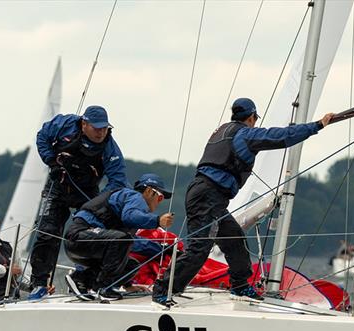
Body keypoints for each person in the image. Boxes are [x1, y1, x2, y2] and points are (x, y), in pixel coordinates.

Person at [152, 97, 335, 305]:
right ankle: (163, 290)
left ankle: (239, 286)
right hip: (208, 196)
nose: (255, 122)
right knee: (199, 248)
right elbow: (282, 136)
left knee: (234, 238)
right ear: (251, 117)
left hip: (208, 195)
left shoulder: (222, 130)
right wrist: (317, 125)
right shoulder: (245, 134)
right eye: (255, 118)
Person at [27, 105, 129, 300]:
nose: (101, 132)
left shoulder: (110, 148)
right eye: (96, 128)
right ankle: (39, 283)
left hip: (87, 193)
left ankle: (83, 278)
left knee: (89, 234)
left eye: (104, 128)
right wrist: (51, 161)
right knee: (47, 231)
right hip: (58, 185)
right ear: (84, 124)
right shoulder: (64, 124)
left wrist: (99, 203)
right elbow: (42, 136)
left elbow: (118, 181)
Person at [64, 173, 174, 300]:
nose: (159, 202)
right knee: (121, 239)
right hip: (79, 236)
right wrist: (157, 220)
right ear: (149, 191)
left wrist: (163, 249)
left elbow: (133, 242)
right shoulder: (135, 197)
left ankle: (81, 280)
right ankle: (104, 288)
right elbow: (129, 218)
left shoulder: (130, 207)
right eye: (160, 197)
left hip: (84, 243)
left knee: (131, 264)